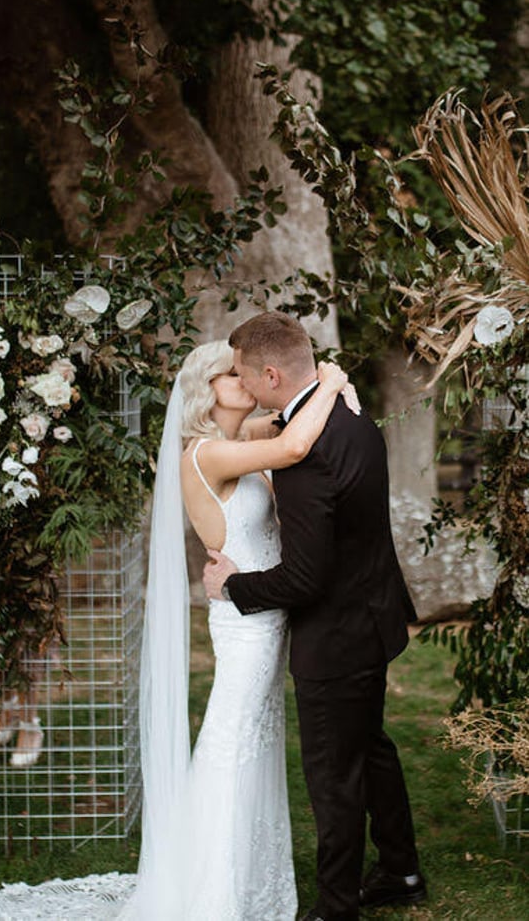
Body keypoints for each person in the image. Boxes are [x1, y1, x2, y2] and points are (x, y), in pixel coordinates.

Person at [0, 340, 356, 920]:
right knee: (230, 748)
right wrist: (332, 382)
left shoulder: (239, 439)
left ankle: (249, 887)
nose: (244, 379)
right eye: (230, 374)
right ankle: (209, 899)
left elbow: (287, 422)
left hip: (266, 615)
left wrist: (319, 393)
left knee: (256, 749)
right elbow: (292, 444)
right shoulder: (204, 455)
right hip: (245, 627)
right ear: (205, 390)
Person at [203, 312, 423, 921]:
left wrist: (233, 586)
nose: (243, 382)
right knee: (370, 748)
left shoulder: (306, 455)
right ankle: (401, 869)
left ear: (271, 374)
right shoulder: (351, 416)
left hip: (337, 637)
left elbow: (304, 579)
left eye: (245, 373)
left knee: (334, 775)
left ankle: (335, 907)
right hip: (372, 615)